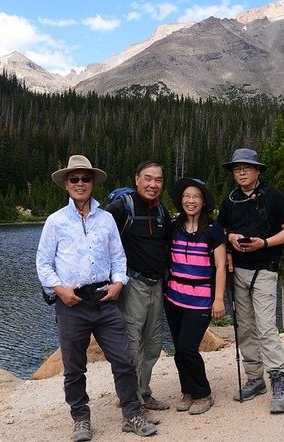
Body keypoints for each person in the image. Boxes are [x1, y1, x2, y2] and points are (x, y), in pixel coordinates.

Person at [36, 155, 158, 440]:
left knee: (124, 360)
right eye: (74, 179)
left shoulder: (106, 220)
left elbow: (118, 257)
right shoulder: (55, 222)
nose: (80, 184)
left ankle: (132, 414)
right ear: (66, 184)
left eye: (85, 179)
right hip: (72, 303)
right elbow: (43, 263)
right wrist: (59, 289)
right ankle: (81, 419)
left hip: (105, 299)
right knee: (74, 368)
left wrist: (119, 283)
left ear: (93, 183)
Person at [217, 147, 284, 414]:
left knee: (265, 326)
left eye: (246, 168)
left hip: (265, 269)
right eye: (237, 169)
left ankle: (279, 380)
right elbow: (223, 230)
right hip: (237, 270)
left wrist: (264, 243)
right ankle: (254, 378)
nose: (240, 172)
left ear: (258, 171)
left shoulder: (273, 197)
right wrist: (231, 239)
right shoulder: (230, 200)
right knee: (244, 327)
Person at [105, 162, 171, 418]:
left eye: (158, 180)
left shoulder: (161, 210)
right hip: (133, 285)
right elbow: (100, 237)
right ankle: (131, 401)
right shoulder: (123, 207)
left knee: (153, 344)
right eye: (148, 179)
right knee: (132, 345)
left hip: (157, 285)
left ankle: (143, 392)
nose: (153, 185)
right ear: (136, 179)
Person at [164, 177, 227, 415]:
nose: (191, 201)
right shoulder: (173, 226)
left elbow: (221, 266)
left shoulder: (213, 230)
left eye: (196, 196)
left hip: (201, 298)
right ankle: (187, 391)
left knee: (188, 348)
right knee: (179, 350)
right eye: (186, 196)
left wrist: (218, 299)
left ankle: (203, 393)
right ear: (181, 200)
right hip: (173, 298)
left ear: (203, 201)